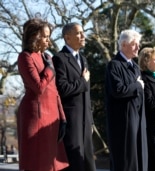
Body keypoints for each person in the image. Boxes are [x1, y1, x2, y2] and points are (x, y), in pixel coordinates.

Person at [17, 18, 69, 171]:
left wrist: (62, 117)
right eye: (45, 36)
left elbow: (54, 90)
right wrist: (50, 70)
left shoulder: (47, 58)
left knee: (51, 165)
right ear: (35, 36)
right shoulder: (25, 57)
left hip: (52, 116)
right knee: (37, 164)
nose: (49, 40)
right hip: (36, 117)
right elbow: (38, 87)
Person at [52, 22, 96, 171]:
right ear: (67, 37)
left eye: (83, 32)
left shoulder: (83, 59)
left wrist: (90, 121)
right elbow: (62, 89)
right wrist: (82, 81)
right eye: (78, 33)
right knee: (74, 164)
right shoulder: (59, 59)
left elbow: (86, 94)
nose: (83, 36)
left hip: (85, 122)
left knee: (89, 163)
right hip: (71, 122)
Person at [105, 29, 148, 171]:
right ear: (124, 45)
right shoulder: (114, 65)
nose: (138, 47)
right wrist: (137, 85)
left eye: (138, 44)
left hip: (137, 119)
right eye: (135, 44)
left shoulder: (135, 67)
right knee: (125, 161)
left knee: (137, 159)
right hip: (123, 122)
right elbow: (119, 90)